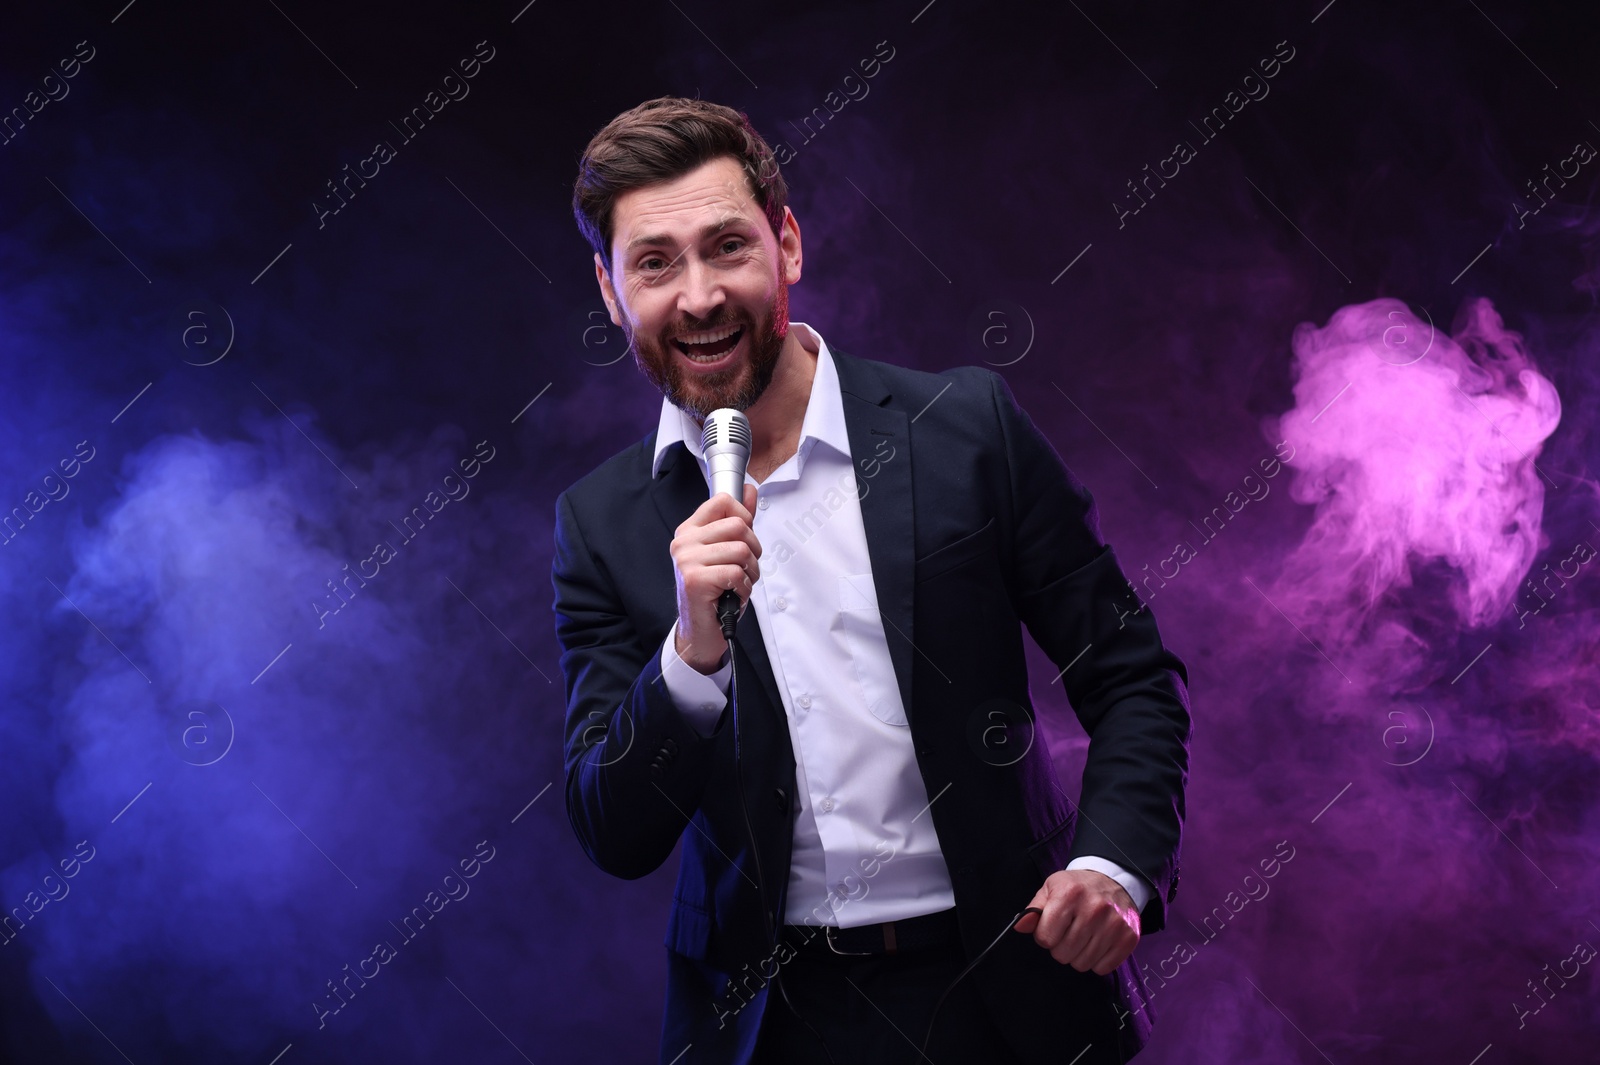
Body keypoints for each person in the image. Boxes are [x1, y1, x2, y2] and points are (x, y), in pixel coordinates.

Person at [552, 96, 1192, 1065]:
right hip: (775, 1022)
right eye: (653, 263)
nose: (697, 297)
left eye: (727, 246)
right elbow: (614, 828)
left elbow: (1133, 676)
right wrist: (690, 654)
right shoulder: (600, 525)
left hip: (1002, 990)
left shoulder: (965, 429)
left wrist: (1108, 869)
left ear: (788, 246)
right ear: (609, 292)